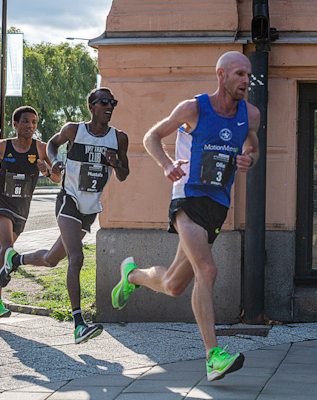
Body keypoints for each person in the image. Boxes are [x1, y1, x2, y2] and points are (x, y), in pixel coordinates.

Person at [111, 51, 260, 381]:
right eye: (239, 74)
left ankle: (132, 275)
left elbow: (253, 144)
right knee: (207, 269)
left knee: (175, 285)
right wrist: (167, 165)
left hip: (218, 204)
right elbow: (152, 136)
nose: (245, 81)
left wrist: (250, 157)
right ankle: (213, 356)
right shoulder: (194, 108)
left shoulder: (250, 115)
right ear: (220, 75)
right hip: (187, 197)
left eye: (248, 75)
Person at [0, 87, 130, 344]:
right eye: (103, 102)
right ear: (91, 106)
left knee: (50, 260)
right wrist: (54, 162)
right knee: (76, 257)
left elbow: (124, 175)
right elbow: (53, 145)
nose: (109, 106)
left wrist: (117, 164)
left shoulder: (119, 138)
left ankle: (15, 260)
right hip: (68, 200)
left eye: (112, 102)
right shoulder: (74, 130)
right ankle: (79, 323)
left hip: (90, 208)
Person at [0, 106, 61, 317]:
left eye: (33, 122)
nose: (30, 126)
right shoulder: (3, 146)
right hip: (1, 203)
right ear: (15, 124)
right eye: (25, 121)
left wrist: (47, 172)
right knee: (7, 247)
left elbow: (58, 178)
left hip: (22, 208)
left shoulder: (42, 149)